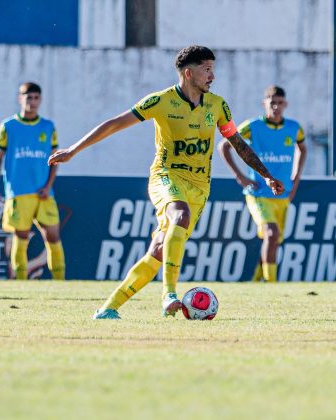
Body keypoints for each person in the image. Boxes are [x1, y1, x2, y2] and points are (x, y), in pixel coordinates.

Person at [48, 45, 284, 319]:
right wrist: (73, 150)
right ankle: (169, 294)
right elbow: (114, 123)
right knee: (179, 215)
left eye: (213, 69)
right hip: (166, 176)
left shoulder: (218, 105)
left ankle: (108, 309)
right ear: (188, 72)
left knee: (159, 250)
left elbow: (237, 142)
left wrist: (265, 174)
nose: (212, 76)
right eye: (206, 69)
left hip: (199, 186)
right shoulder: (160, 101)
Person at [218, 85, 306, 282]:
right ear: (264, 103)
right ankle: (272, 283)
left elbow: (303, 148)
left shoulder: (294, 128)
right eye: (272, 102)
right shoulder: (253, 126)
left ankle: (258, 280)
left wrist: (296, 177)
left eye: (279, 103)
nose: (276, 107)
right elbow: (224, 145)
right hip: (258, 192)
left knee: (272, 239)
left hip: (283, 193)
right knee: (271, 233)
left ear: (286, 104)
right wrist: (240, 176)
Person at [0, 82, 65, 280]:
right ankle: (21, 283)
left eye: (36, 98)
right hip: (19, 192)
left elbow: (55, 158)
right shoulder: (8, 126)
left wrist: (48, 186)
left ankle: (61, 283)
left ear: (40, 100)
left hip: (44, 193)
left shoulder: (48, 127)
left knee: (53, 236)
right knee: (21, 237)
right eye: (28, 97)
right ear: (20, 99)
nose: (32, 101)